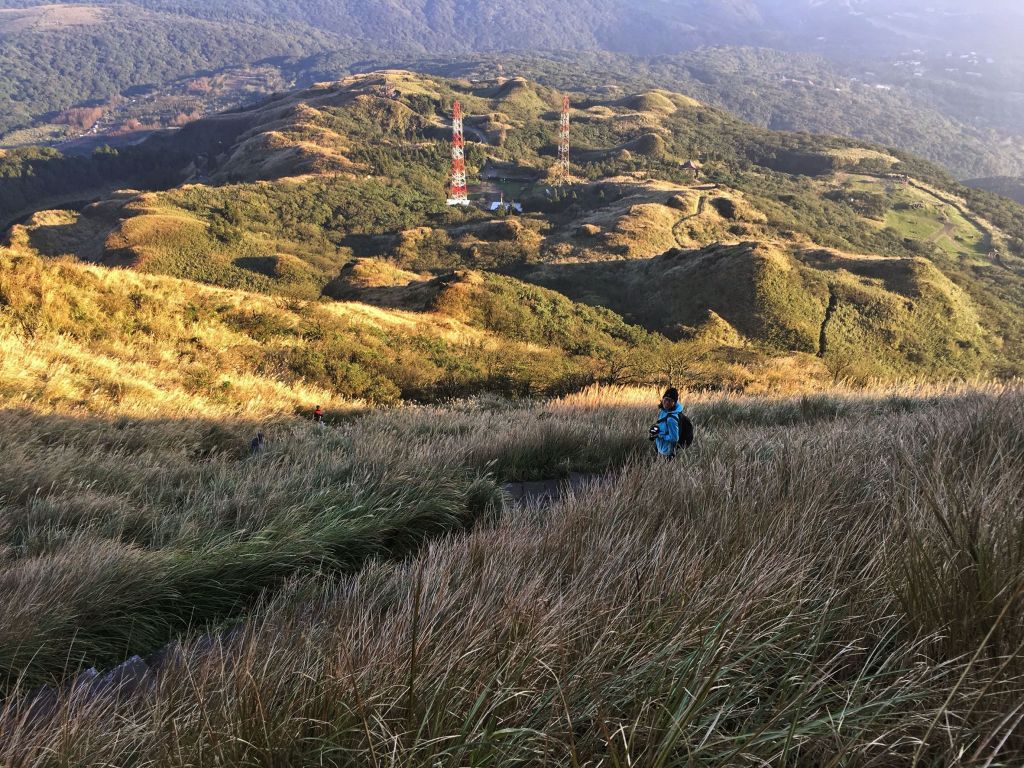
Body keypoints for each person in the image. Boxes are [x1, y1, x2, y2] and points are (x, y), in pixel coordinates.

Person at [650, 387, 684, 459]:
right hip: (660, 448)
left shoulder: (671, 419)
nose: (667, 402)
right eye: (666, 399)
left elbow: (674, 438)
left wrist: (659, 435)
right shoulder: (663, 411)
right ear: (663, 399)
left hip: (667, 453)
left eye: (670, 401)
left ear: (674, 403)